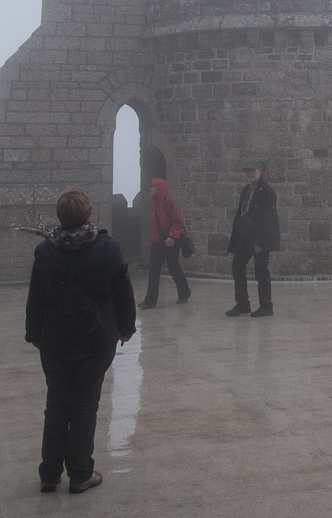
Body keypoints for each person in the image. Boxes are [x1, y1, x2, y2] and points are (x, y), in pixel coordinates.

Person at [24, 187, 136, 495]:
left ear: (60, 217)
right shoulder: (109, 249)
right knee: (85, 405)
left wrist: (33, 333)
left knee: (57, 402)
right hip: (95, 339)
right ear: (88, 215)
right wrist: (126, 328)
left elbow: (36, 299)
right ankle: (80, 474)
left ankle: (49, 474)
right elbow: (123, 294)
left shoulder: (46, 252)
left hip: (55, 341)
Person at [226, 160, 280, 318]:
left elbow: (269, 219)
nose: (250, 173)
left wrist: (261, 243)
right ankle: (242, 304)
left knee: (261, 271)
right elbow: (242, 213)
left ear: (260, 172)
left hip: (259, 238)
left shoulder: (267, 191)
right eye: (248, 171)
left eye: (253, 170)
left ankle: (266, 306)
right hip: (244, 237)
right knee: (237, 265)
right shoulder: (245, 191)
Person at [138, 177, 191, 309]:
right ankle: (150, 300)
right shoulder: (155, 203)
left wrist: (172, 237)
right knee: (154, 269)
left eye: (153, 186)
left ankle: (184, 293)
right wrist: (155, 240)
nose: (150, 188)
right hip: (159, 241)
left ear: (159, 188)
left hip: (171, 241)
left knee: (173, 267)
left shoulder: (169, 202)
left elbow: (177, 221)